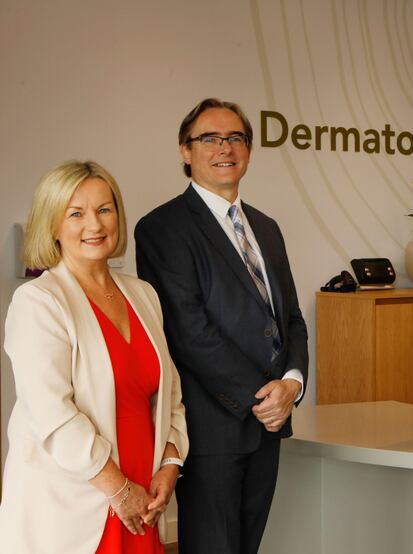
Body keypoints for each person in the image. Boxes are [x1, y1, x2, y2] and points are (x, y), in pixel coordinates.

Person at [135, 98, 309, 554]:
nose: (224, 147)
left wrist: (291, 383)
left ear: (249, 150)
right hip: (212, 427)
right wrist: (262, 397)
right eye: (209, 138)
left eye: (235, 138)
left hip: (270, 423)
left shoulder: (266, 228)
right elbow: (188, 332)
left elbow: (289, 318)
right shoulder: (163, 227)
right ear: (185, 151)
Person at [0, 161, 189, 553]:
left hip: (144, 497)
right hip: (77, 502)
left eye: (105, 209)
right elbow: (52, 414)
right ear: (52, 225)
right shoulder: (38, 301)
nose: (95, 225)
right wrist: (118, 489)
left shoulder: (143, 295)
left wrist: (171, 464)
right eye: (76, 213)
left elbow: (170, 397)